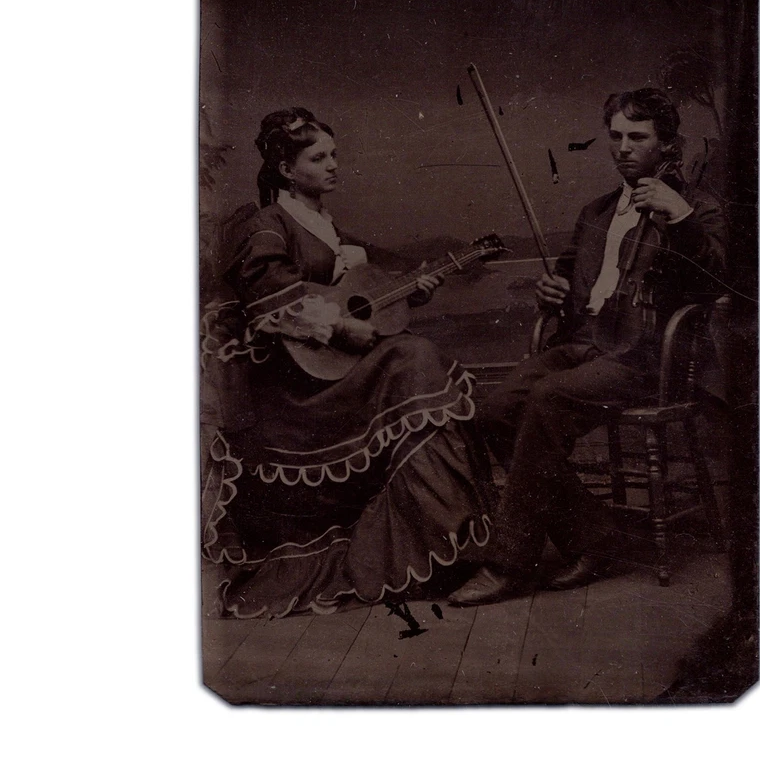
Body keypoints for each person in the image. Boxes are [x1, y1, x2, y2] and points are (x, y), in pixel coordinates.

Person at [201, 108, 496, 617]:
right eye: (319, 158)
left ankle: (442, 546)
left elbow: (363, 294)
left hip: (334, 367)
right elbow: (269, 299)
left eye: (334, 154)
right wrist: (338, 328)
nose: (334, 164)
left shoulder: (326, 224)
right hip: (292, 380)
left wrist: (412, 291)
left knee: (415, 359)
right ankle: (430, 546)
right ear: (287, 170)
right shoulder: (267, 224)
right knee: (415, 359)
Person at [448, 88, 727, 606]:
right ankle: (593, 534)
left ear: (667, 143)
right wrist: (552, 292)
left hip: (646, 357)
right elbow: (571, 282)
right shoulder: (596, 211)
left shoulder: (695, 205)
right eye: (616, 136)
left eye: (637, 137)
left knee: (547, 398)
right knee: (494, 411)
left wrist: (681, 215)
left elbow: (719, 280)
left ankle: (511, 562)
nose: (623, 148)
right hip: (585, 342)